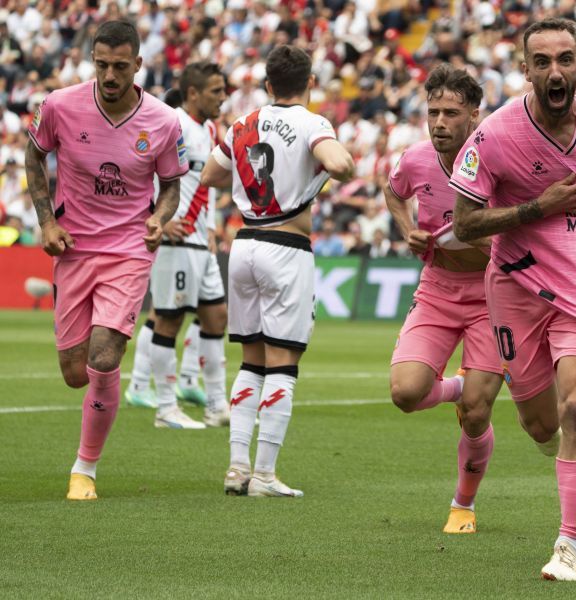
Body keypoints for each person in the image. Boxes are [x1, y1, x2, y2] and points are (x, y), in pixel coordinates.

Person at [451, 18, 576, 581]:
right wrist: (536, 208)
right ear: (526, 71)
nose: (555, 71)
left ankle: (569, 545)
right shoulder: (493, 135)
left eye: (565, 59)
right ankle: (560, 449)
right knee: (540, 425)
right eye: (541, 62)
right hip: (515, 286)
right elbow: (465, 224)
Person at [24, 20, 187, 500]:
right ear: (91, 61)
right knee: (75, 372)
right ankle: (105, 367)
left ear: (138, 65)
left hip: (129, 252)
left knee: (103, 357)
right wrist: (46, 222)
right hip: (74, 248)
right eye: (101, 65)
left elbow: (172, 185)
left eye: (120, 66)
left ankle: (84, 470)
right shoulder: (59, 105)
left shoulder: (162, 121)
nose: (110, 75)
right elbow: (34, 157)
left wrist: (159, 218)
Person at [201, 45, 354, 497]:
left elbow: (211, 174)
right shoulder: (312, 122)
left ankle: (235, 468)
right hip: (286, 246)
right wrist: (320, 173)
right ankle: (264, 475)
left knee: (250, 360)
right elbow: (342, 164)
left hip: (244, 243)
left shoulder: (242, 124)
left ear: (268, 85)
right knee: (283, 363)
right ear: (309, 83)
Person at [384, 64, 503, 534]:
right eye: (433, 112)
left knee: (477, 412)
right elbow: (394, 194)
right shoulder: (415, 159)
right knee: (406, 393)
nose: (438, 123)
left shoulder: (500, 162)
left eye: (450, 113)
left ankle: (463, 505)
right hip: (436, 290)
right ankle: (456, 386)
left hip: (494, 296)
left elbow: (520, 238)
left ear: (474, 116)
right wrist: (409, 232)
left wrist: (475, 240)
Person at [124, 62, 230, 429]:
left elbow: (209, 184)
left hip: (201, 241)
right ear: (194, 94)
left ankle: (218, 405)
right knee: (168, 320)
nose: (223, 96)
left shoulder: (212, 129)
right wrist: (156, 220)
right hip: (176, 243)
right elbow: (138, 173)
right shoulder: (171, 124)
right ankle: (166, 408)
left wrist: (213, 225)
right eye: (216, 91)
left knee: (216, 318)